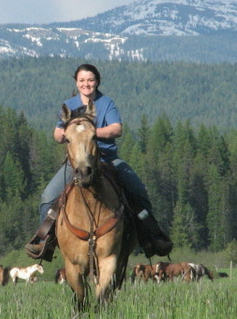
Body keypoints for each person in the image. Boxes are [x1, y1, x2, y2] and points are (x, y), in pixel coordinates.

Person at [25, 63, 173, 259]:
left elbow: (116, 129)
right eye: (82, 80)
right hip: (76, 162)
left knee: (138, 192)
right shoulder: (68, 105)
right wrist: (66, 134)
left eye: (90, 80)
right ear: (77, 83)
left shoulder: (107, 103)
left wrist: (92, 133)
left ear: (97, 82)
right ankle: (45, 241)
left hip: (107, 159)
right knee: (48, 197)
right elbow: (58, 133)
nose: (86, 84)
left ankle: (152, 237)